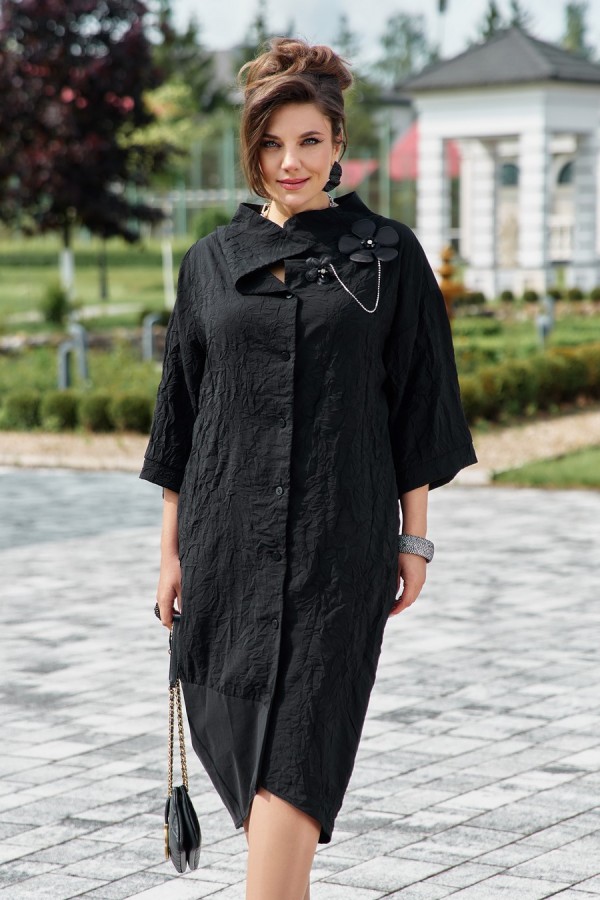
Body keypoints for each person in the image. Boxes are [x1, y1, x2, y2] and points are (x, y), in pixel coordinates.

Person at [140, 36, 478, 900]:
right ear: (252, 150)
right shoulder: (210, 262)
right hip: (225, 553)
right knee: (254, 764)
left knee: (298, 763)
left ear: (339, 146)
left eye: (309, 142)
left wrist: (415, 539)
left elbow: (419, 403)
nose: (290, 162)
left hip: (338, 551)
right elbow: (181, 414)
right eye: (272, 144)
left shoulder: (388, 255)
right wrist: (170, 552)